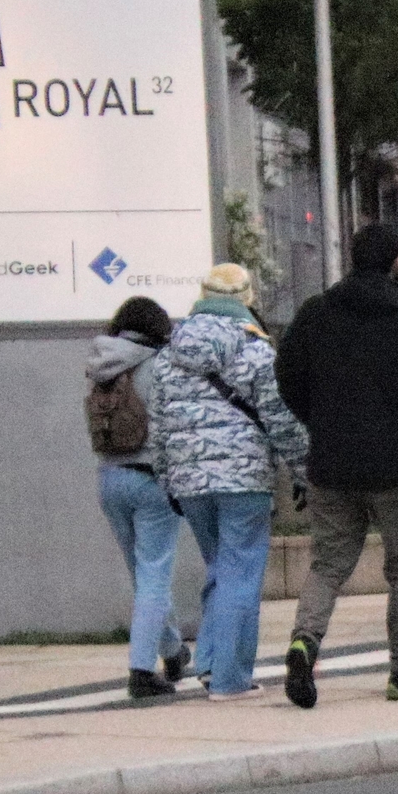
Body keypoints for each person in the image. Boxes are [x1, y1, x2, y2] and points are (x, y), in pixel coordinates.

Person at [275, 223, 398, 707]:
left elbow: (287, 374)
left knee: (327, 564)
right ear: (394, 262)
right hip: (393, 464)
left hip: (331, 460)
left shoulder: (316, 314)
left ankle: (304, 641)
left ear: (350, 257)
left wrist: (318, 419)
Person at [149, 264, 307, 700]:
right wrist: (302, 470)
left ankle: (212, 663)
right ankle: (231, 680)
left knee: (220, 568)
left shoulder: (168, 356)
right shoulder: (257, 353)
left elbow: (158, 427)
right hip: (243, 479)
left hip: (188, 481)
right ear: (248, 298)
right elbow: (281, 420)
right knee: (240, 574)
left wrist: (168, 481)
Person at [86, 296, 188, 698]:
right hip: (151, 479)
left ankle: (173, 649)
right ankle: (142, 671)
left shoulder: (101, 364)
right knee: (154, 576)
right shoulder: (159, 364)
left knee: (143, 575)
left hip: (110, 476)